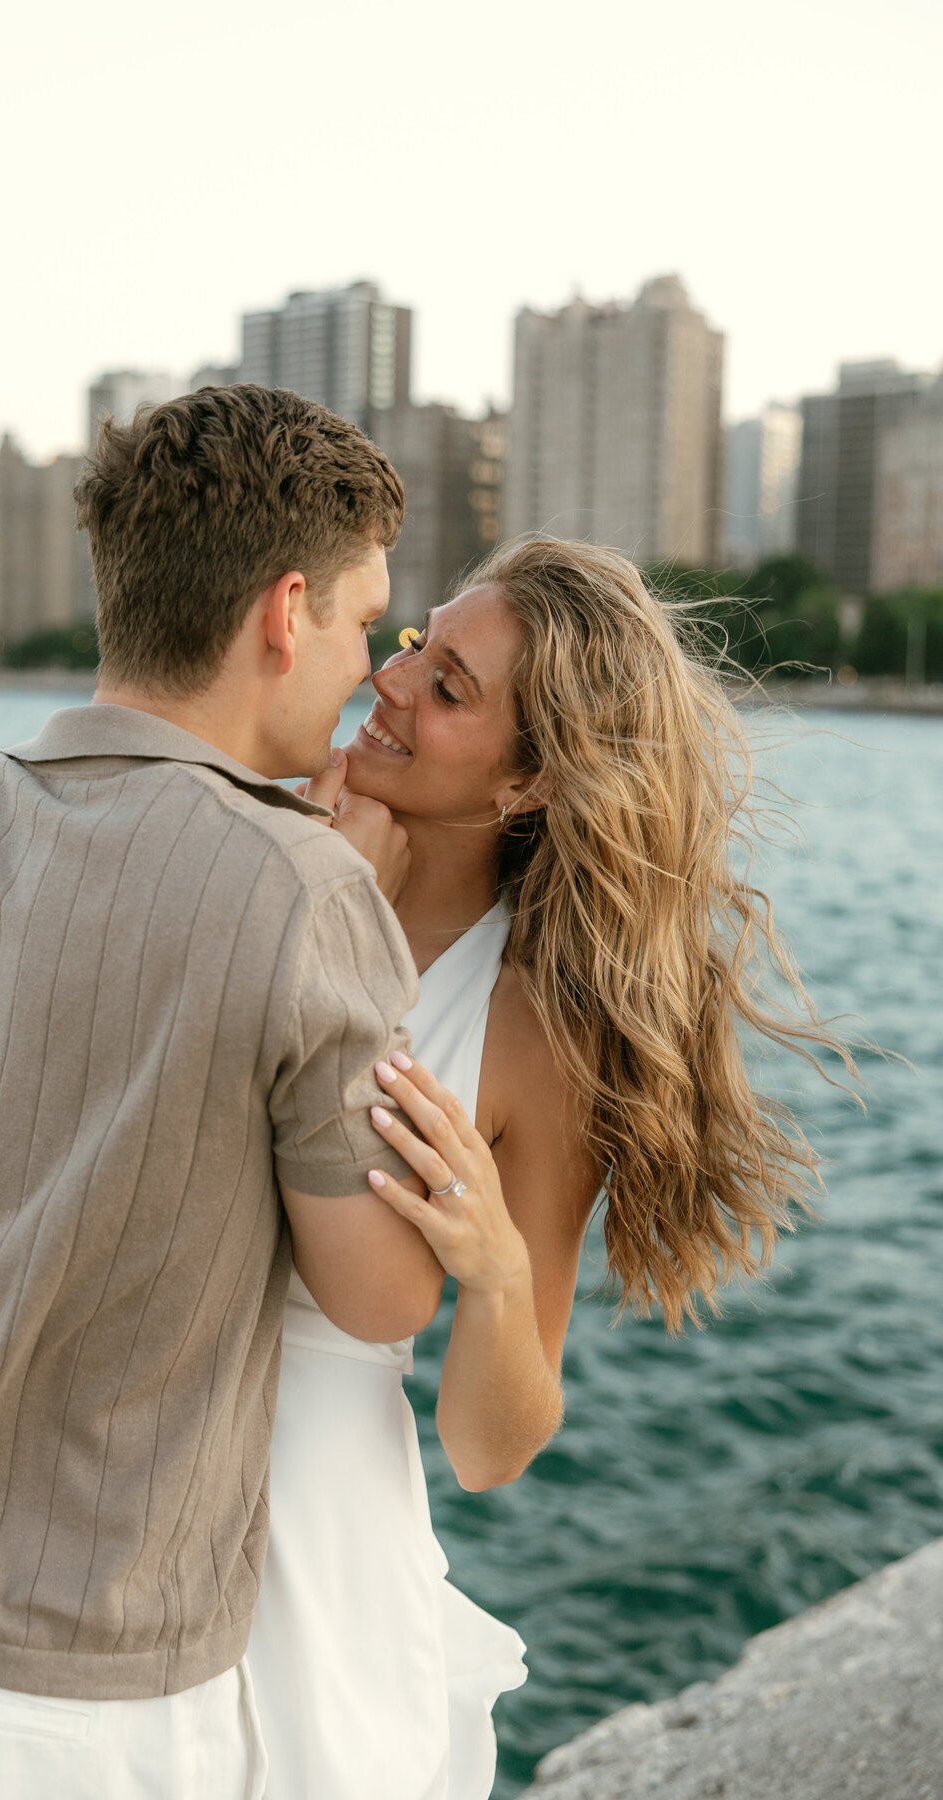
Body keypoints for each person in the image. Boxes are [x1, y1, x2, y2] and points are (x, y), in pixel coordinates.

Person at [0, 385, 447, 1800]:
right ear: (283, 609)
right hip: (60, 1697)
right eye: (366, 621)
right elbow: (380, 1298)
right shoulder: (303, 891)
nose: (371, 666)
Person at [246, 534, 852, 1800]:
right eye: (416, 641)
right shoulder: (256, 829)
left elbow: (489, 1448)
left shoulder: (530, 1034)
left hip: (307, 1517)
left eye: (452, 685)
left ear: (528, 783)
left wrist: (497, 1270)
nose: (395, 679)